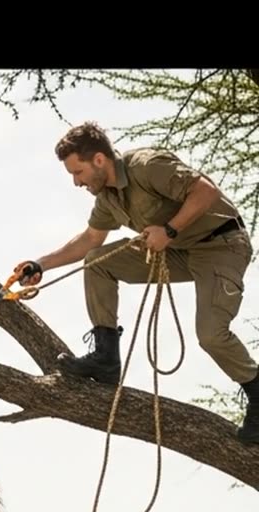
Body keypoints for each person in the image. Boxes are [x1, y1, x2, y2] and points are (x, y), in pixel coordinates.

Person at [16, 121, 257, 445]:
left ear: (99, 160)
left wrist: (168, 230)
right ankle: (106, 358)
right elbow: (89, 239)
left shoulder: (147, 166)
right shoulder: (108, 199)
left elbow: (206, 191)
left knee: (210, 335)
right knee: (98, 263)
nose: (76, 182)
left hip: (221, 245)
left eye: (78, 172)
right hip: (178, 251)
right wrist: (40, 264)